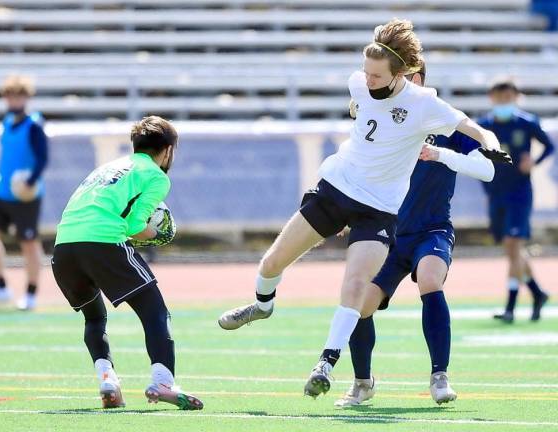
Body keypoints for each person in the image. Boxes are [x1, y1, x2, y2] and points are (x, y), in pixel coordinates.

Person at [216, 19, 507, 399]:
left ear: (400, 72)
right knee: (272, 263)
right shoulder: (359, 83)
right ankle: (262, 305)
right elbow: (362, 105)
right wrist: (359, 105)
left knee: (356, 287)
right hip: (335, 189)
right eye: (365, 72)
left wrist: (489, 142)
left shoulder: (424, 104)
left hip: (379, 208)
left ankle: (327, 363)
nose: (366, 79)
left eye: (375, 75)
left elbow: (471, 126)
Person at [335, 65, 510, 408]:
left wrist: (440, 154)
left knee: (430, 278)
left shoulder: (444, 120)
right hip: (389, 233)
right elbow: (358, 166)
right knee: (361, 304)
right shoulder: (383, 120)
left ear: (416, 81)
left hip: (432, 229)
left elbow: (488, 170)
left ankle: (439, 376)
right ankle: (362, 382)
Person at [51, 116, 203, 410]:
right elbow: (134, 225)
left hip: (64, 247)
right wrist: (159, 234)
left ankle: (108, 379)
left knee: (95, 318)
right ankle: (163, 380)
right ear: (169, 150)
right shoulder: (157, 177)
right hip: (103, 242)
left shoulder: (106, 168)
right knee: (155, 312)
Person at [479, 79, 554, 323]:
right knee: (511, 250)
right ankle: (537, 292)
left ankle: (510, 307)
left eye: (509, 97)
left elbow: (549, 146)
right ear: (492, 98)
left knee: (513, 245)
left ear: (516, 97)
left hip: (520, 193)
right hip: (495, 193)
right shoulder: (484, 126)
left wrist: (534, 161)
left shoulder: (527, 122)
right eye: (500, 97)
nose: (504, 102)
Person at [0, 75, 48, 311]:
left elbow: (42, 158)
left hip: (25, 194)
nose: (14, 99)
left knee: (28, 243)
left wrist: (30, 181)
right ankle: (0, 288)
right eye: (10, 95)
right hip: (1, 190)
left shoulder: (34, 125)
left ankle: (30, 294)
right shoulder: (7, 122)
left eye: (19, 95)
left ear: (26, 97)